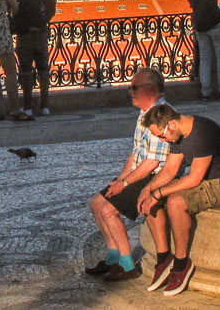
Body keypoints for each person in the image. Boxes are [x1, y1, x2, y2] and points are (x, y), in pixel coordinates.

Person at [137, 104, 220, 296]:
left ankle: (181, 263)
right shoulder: (176, 136)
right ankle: (163, 259)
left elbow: (194, 178)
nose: (162, 140)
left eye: (161, 136)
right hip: (203, 184)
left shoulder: (203, 133)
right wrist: (148, 189)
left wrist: (159, 193)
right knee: (148, 199)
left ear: (172, 125)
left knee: (175, 201)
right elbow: (169, 170)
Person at [85, 67, 172, 282]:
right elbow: (136, 153)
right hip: (140, 174)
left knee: (107, 211)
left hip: (154, 177)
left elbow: (152, 163)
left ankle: (127, 265)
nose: (130, 91)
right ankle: (113, 256)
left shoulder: (161, 114)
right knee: (96, 203)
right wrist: (119, 179)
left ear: (150, 90)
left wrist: (124, 183)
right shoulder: (145, 113)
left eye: (134, 87)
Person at [11, 0, 57, 117]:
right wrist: (42, 21)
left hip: (24, 34)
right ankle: (45, 106)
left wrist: (20, 24)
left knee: (25, 70)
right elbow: (52, 10)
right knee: (43, 69)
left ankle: (28, 106)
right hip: (41, 32)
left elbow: (12, 9)